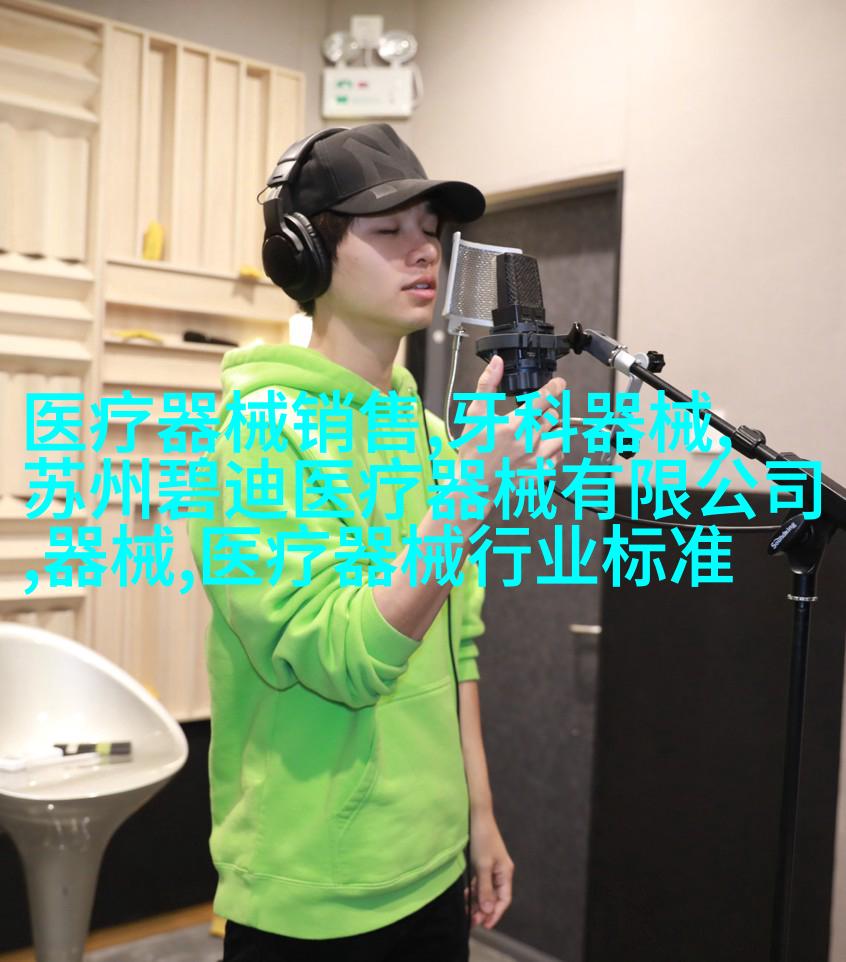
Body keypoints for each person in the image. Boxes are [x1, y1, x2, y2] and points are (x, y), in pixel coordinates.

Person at [188, 123, 567, 960]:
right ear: (304, 255)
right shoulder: (253, 436)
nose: (423, 250)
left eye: (430, 230)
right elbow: (342, 656)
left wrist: (478, 814)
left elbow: (457, 638)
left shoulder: (428, 435)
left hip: (432, 866)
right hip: (311, 891)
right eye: (388, 228)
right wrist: (468, 502)